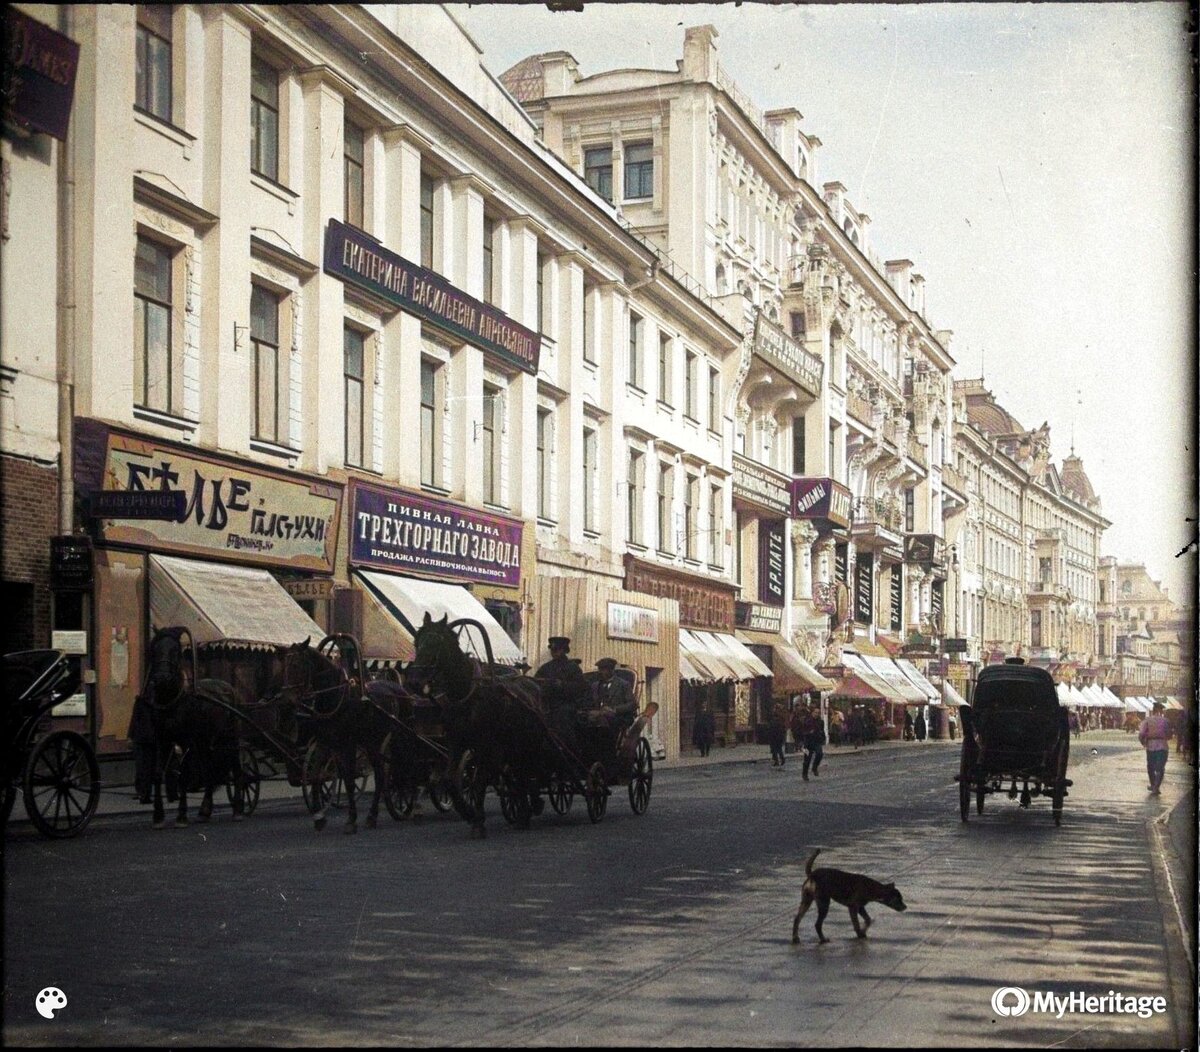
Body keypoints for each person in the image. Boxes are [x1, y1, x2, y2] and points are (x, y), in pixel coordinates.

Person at [535, 636, 588, 751]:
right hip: (546, 705)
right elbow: (536, 684)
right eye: (552, 650)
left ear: (564, 650)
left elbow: (581, 688)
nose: (554, 652)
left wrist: (562, 685)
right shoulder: (545, 668)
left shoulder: (573, 668)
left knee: (562, 717)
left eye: (557, 650)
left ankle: (570, 750)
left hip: (567, 705)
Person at [1139, 701, 1172, 795]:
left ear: (1153, 710)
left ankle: (1153, 785)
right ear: (1161, 710)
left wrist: (1143, 742)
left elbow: (1141, 734)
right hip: (1162, 746)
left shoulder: (1147, 720)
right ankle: (1156, 787)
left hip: (1150, 746)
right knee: (1160, 768)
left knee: (1150, 767)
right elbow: (1169, 735)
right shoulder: (1166, 721)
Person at [802, 705, 826, 781]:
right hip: (808, 743)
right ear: (812, 713)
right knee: (807, 759)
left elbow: (822, 731)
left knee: (819, 754)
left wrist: (823, 738)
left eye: (818, 713)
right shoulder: (807, 721)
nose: (816, 714)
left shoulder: (820, 721)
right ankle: (804, 774)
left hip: (817, 741)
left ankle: (814, 767)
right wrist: (809, 732)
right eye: (815, 712)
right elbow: (803, 731)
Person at [768, 703, 788, 767]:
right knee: (778, 748)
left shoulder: (776, 718)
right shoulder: (781, 717)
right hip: (779, 735)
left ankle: (779, 760)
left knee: (775, 749)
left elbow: (772, 727)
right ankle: (778, 760)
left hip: (775, 735)